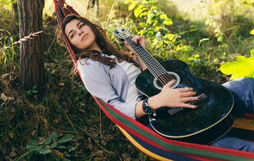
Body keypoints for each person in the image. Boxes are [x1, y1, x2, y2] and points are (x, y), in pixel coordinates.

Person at [60, 13, 254, 152]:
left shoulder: (112, 55)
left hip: (173, 97)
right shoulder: (87, 64)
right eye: (73, 34)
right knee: (240, 150)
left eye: (81, 26)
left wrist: (140, 52)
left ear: (90, 25)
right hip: (159, 116)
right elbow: (113, 108)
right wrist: (155, 102)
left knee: (246, 86)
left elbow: (149, 82)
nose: (80, 32)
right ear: (72, 45)